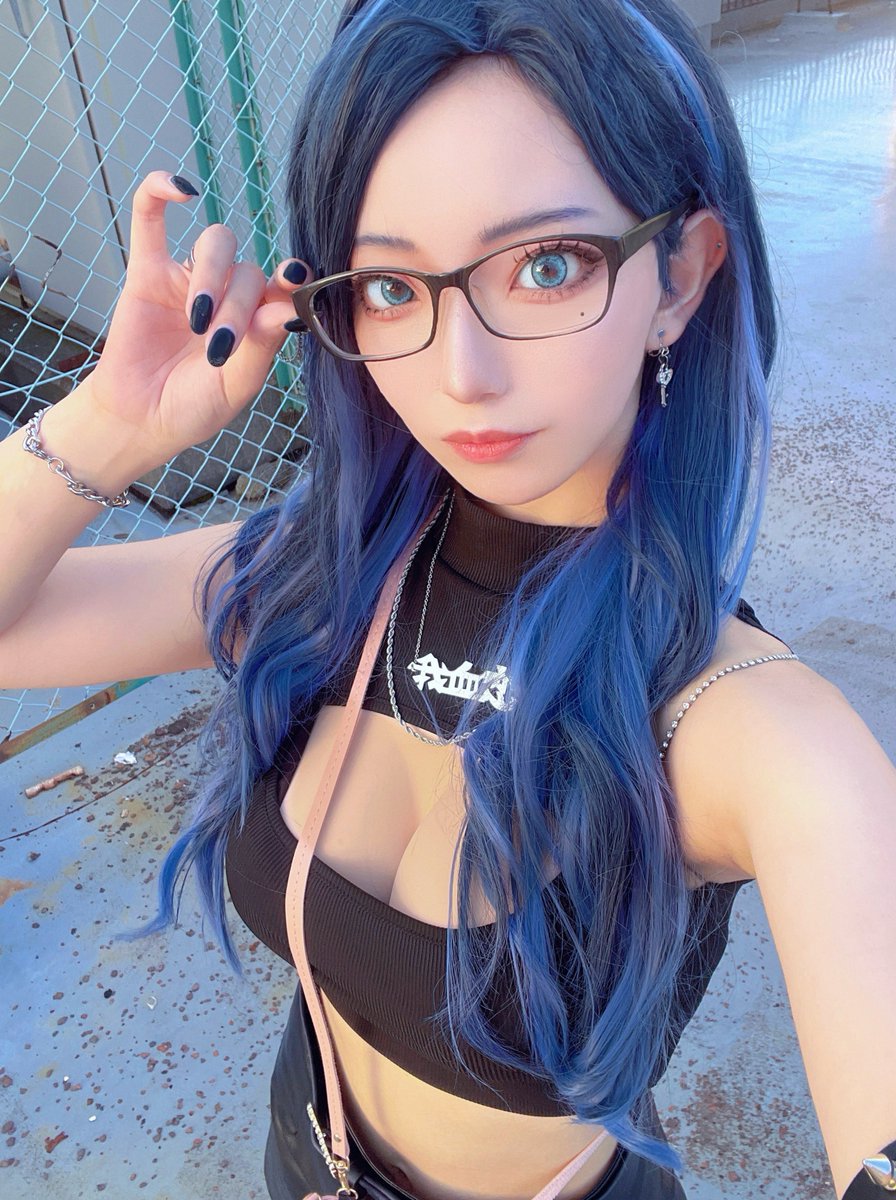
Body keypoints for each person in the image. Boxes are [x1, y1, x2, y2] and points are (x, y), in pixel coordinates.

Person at [1, 1, 894, 1197]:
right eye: (390, 286)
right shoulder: (322, 572)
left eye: (545, 266)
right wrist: (110, 427)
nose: (459, 372)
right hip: (301, 1152)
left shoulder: (743, 728)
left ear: (679, 275)